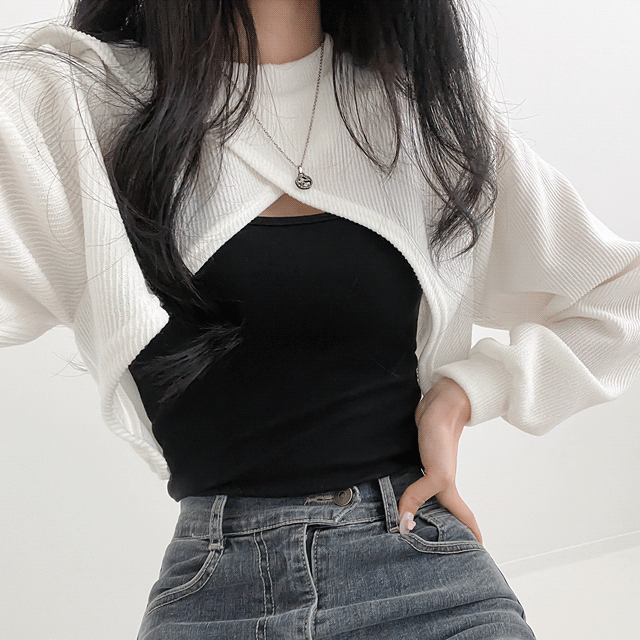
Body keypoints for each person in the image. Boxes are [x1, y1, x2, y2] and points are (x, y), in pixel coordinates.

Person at [1, 1, 639, 638]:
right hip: (213, 590)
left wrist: (466, 394)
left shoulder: (422, 115)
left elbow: (622, 298)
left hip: (423, 566)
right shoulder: (77, 100)